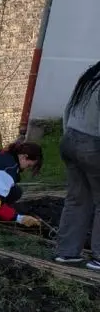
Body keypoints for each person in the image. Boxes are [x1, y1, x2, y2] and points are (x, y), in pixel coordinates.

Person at [56, 62, 100, 269]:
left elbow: (68, 109)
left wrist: (68, 136)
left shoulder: (91, 76)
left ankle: (67, 253)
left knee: (77, 200)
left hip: (70, 139)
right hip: (93, 144)